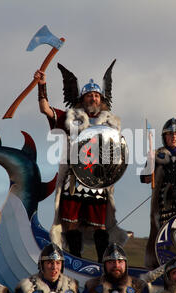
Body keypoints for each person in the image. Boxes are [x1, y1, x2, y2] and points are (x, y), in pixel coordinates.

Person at [33, 61, 128, 263]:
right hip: (74, 179)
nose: (93, 98)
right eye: (89, 95)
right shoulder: (71, 118)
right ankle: (75, 261)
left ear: (101, 99)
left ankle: (104, 261)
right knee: (70, 223)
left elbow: (116, 152)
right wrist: (42, 85)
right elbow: (45, 109)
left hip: (98, 180)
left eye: (96, 95)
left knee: (100, 225)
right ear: (82, 98)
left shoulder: (110, 122)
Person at [140, 118, 176, 269]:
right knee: (159, 231)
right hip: (161, 201)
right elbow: (145, 178)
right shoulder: (156, 154)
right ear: (164, 137)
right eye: (170, 134)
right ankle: (156, 265)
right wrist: (150, 165)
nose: (174, 137)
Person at [80, 243, 149, 293]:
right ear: (105, 265)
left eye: (120, 261)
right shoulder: (92, 287)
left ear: (125, 264)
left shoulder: (139, 287)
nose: (116, 265)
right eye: (111, 262)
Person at [15, 243, 79, 293]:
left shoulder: (71, 288)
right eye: (50, 263)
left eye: (58, 263)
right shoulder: (27, 288)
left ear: (62, 266)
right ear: (42, 265)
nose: (54, 267)